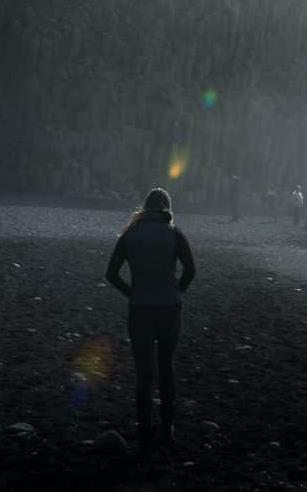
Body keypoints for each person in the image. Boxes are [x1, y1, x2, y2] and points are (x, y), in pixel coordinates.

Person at [105, 187, 197, 452]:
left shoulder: (130, 234)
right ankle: (167, 428)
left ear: (145, 208)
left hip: (141, 308)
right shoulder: (174, 233)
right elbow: (190, 270)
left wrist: (131, 293)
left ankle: (144, 428)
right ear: (167, 208)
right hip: (169, 307)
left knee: (144, 373)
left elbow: (111, 274)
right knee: (166, 368)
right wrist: (177, 291)